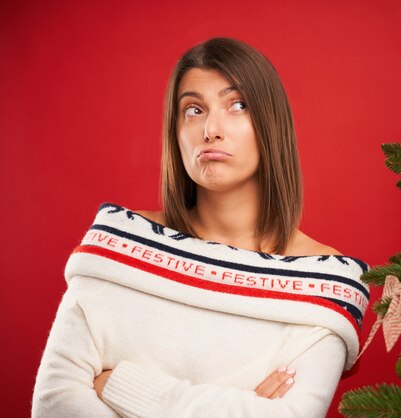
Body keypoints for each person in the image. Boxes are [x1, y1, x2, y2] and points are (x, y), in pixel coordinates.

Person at [32, 37, 369, 418]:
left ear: (271, 123)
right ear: (175, 132)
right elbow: (54, 405)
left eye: (237, 105)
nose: (211, 129)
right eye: (193, 110)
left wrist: (123, 388)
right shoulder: (117, 248)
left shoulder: (324, 282)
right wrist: (241, 405)